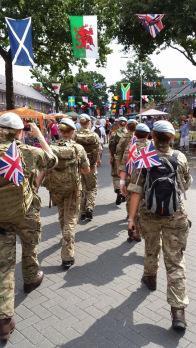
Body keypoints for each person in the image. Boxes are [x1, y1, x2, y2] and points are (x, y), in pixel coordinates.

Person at [127, 120, 192, 330]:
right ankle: (178, 311)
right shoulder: (180, 157)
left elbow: (136, 190)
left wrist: (131, 219)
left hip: (149, 214)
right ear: (172, 138)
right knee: (175, 261)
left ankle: (150, 277)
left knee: (150, 248)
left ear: (153, 137)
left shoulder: (144, 157)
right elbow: (187, 183)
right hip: (176, 214)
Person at [0, 112, 57, 340]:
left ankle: (4, 320)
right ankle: (31, 278)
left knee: (3, 265)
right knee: (30, 245)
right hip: (25, 212)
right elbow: (52, 160)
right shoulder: (27, 152)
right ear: (19, 132)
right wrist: (40, 135)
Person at [43, 118, 90, 269]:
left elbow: (45, 168)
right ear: (71, 132)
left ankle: (65, 236)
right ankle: (67, 256)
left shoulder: (51, 148)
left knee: (62, 214)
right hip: (73, 189)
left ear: (61, 131)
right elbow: (86, 170)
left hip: (56, 188)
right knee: (70, 219)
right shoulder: (78, 148)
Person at [119, 123, 150, 242]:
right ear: (148, 135)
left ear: (135, 134)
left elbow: (123, 166)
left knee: (131, 206)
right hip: (147, 185)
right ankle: (142, 231)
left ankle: (135, 229)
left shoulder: (130, 147)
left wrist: (121, 183)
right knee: (145, 209)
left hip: (131, 183)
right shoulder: (152, 147)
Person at [75, 114, 100, 221]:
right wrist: (96, 162)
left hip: (79, 165)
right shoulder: (94, 135)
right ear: (89, 122)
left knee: (82, 188)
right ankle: (89, 207)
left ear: (80, 123)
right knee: (92, 188)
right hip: (91, 165)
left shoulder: (75, 135)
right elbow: (98, 150)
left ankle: (82, 212)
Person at [109, 116, 127, 205]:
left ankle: (118, 190)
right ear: (126, 124)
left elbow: (111, 147)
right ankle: (123, 192)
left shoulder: (113, 134)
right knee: (125, 176)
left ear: (118, 124)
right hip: (128, 159)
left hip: (117, 158)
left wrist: (111, 156)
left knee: (116, 175)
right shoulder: (130, 134)